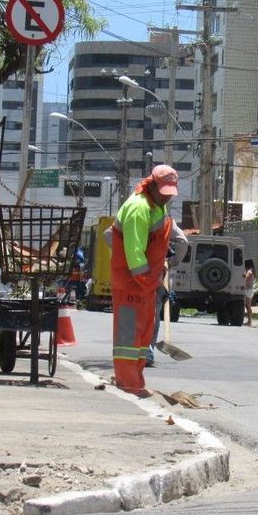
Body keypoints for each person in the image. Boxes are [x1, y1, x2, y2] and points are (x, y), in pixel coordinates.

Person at [109, 164, 180, 396]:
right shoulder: (139, 208)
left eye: (171, 194)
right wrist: (153, 283)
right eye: (164, 192)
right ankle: (128, 385)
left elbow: (153, 245)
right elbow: (135, 254)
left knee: (142, 338)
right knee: (129, 341)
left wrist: (158, 275)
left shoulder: (156, 207)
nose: (167, 198)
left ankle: (135, 382)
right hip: (132, 283)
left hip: (145, 284)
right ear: (153, 185)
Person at [146, 223, 188, 367]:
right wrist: (173, 260)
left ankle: (141, 351)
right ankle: (147, 351)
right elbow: (183, 242)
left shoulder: (134, 215)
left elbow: (108, 235)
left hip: (135, 275)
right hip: (156, 275)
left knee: (138, 316)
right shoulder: (166, 222)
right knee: (153, 316)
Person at [244, 258, 256, 326]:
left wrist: (244, 276)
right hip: (250, 290)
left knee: (247, 306)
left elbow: (246, 278)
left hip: (248, 290)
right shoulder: (253, 270)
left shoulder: (249, 271)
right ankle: (249, 321)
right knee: (247, 306)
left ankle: (249, 321)